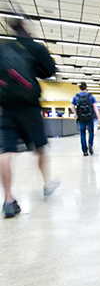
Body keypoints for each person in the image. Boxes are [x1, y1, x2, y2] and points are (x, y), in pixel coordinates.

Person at [0, 18, 59, 218]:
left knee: (6, 150)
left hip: (7, 107)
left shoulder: (3, 48)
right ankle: (47, 184)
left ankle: (8, 198)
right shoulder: (34, 47)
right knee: (41, 147)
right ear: (26, 27)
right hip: (29, 107)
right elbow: (50, 70)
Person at [71, 82, 100, 156]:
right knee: (91, 132)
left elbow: (72, 107)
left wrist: (76, 114)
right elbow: (95, 107)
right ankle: (90, 144)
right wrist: (98, 117)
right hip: (90, 117)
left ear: (79, 88)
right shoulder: (91, 96)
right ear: (86, 87)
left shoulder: (75, 97)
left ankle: (85, 151)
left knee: (82, 134)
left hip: (81, 118)